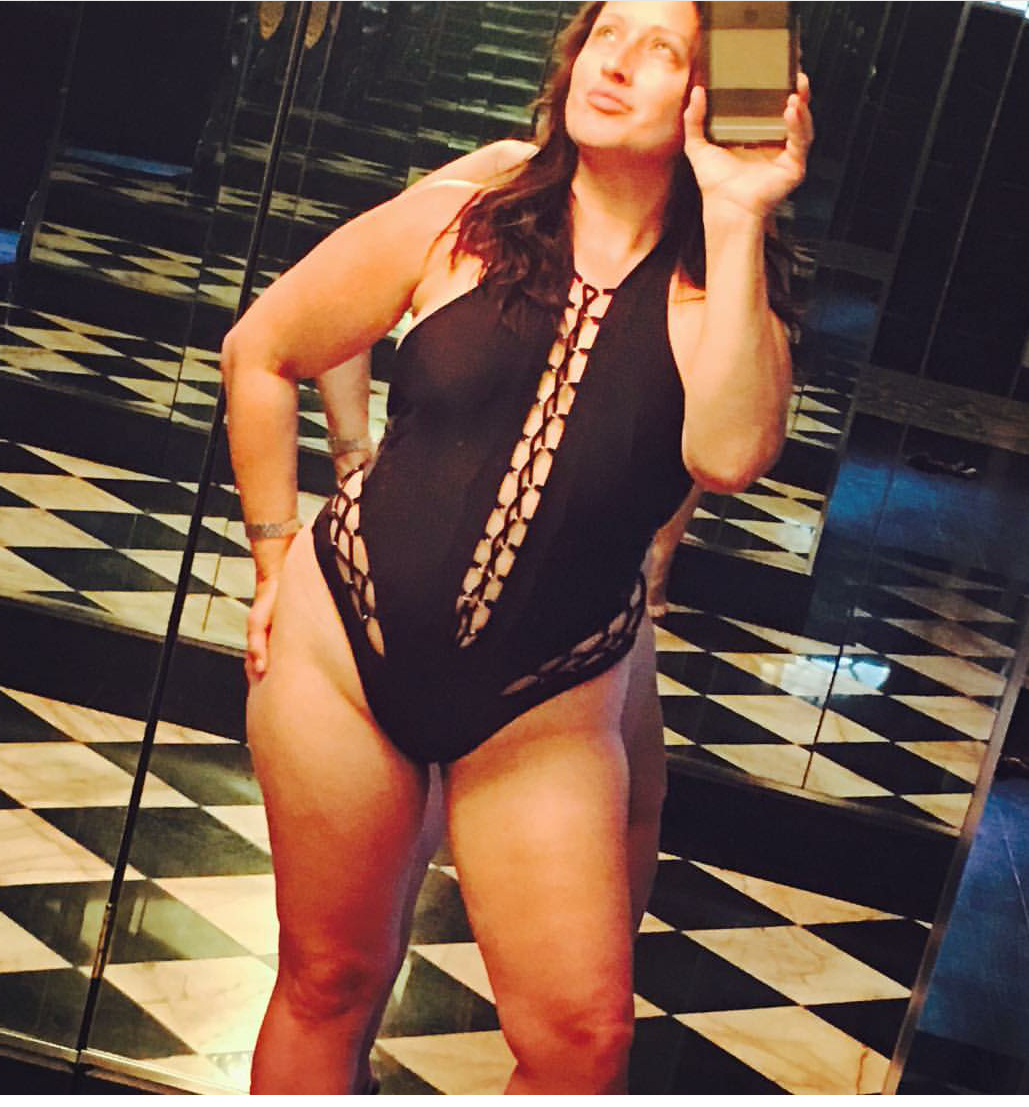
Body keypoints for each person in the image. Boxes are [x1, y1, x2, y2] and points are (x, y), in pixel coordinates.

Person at [220, 0, 812, 1093]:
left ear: (710, 98)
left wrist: (736, 212)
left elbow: (729, 455)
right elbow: (261, 349)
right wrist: (271, 556)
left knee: (580, 1043)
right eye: (606, 35)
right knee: (329, 979)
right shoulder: (464, 220)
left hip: (544, 704)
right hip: (340, 651)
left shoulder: (716, 296)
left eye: (661, 50)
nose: (616, 64)